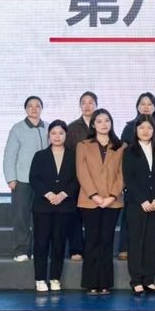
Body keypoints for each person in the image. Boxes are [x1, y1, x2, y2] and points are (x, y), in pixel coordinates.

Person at [75, 109, 125, 295]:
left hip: (113, 201)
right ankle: (90, 283)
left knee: (106, 241)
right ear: (93, 125)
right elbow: (82, 172)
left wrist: (111, 196)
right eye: (99, 121)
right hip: (89, 201)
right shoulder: (83, 145)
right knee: (92, 241)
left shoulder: (121, 146)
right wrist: (94, 196)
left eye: (107, 120)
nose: (104, 124)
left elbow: (122, 174)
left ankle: (105, 283)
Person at [117, 92, 155, 260]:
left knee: (152, 228)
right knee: (129, 219)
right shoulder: (129, 127)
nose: (146, 107)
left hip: (154, 183)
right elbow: (123, 151)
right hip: (135, 184)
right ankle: (125, 248)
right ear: (137, 106)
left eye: (150, 104)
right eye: (143, 104)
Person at [29, 120, 78, 292]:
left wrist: (63, 194)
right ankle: (40, 279)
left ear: (66, 135)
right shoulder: (40, 155)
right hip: (43, 207)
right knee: (41, 244)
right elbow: (34, 178)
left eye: (61, 133)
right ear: (48, 135)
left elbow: (77, 179)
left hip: (64, 207)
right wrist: (48, 194)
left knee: (59, 244)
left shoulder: (73, 156)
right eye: (54, 133)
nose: (57, 136)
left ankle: (55, 278)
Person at [122, 115, 155, 296]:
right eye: (142, 128)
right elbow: (129, 178)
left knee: (151, 243)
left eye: (149, 128)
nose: (145, 131)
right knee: (136, 242)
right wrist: (142, 200)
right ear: (136, 130)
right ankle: (136, 281)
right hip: (136, 204)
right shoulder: (129, 151)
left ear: (154, 131)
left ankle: (149, 280)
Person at [4, 96, 49, 263]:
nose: (34, 108)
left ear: (42, 109)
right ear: (25, 109)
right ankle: (21, 250)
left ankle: (38, 249)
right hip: (22, 180)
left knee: (41, 217)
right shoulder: (18, 129)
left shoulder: (48, 128)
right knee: (21, 217)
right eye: (30, 106)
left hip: (43, 181)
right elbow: (9, 155)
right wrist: (11, 178)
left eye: (38, 106)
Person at [66, 91, 97, 262]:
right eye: (84, 102)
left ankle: (93, 248)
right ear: (80, 106)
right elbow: (67, 154)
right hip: (76, 177)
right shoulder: (72, 128)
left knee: (94, 216)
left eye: (90, 102)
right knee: (75, 215)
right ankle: (76, 248)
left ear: (96, 105)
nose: (87, 106)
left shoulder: (102, 124)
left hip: (98, 179)